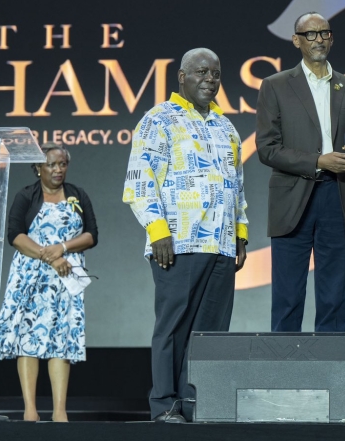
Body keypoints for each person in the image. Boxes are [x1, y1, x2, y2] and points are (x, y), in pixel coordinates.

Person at [123, 48, 249, 423]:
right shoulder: (159, 119)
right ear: (182, 77)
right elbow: (139, 180)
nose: (210, 79)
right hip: (178, 243)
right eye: (201, 72)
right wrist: (158, 230)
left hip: (221, 244)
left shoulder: (225, 127)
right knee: (174, 327)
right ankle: (166, 405)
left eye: (216, 73)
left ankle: (199, 405)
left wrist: (240, 233)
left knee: (210, 334)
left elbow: (237, 187)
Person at [256, 12, 345, 332]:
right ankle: (285, 377)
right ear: (296, 41)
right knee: (288, 295)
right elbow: (267, 149)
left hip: (336, 194)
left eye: (324, 33)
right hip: (293, 197)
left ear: (332, 38)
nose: (318, 39)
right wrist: (319, 161)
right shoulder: (275, 86)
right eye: (310, 34)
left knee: (334, 295)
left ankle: (330, 375)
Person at [0, 142, 99, 422]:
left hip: (66, 278)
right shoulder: (26, 195)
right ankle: (30, 410)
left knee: (61, 340)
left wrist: (62, 248)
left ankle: (60, 412)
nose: (57, 169)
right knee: (29, 339)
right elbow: (15, 235)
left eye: (62, 164)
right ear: (38, 168)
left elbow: (91, 235)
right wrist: (48, 256)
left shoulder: (77, 194)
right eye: (51, 164)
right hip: (31, 276)